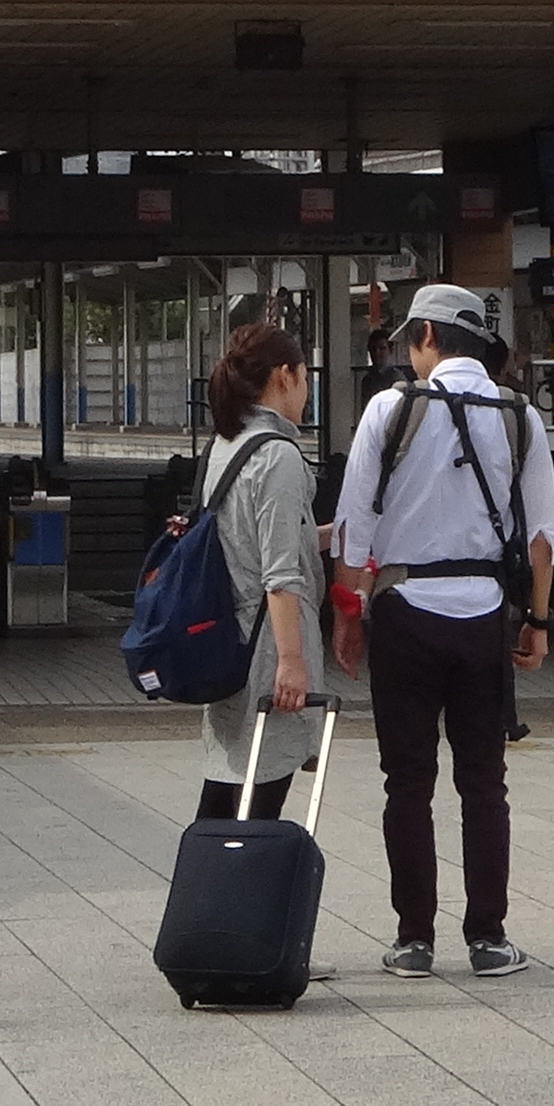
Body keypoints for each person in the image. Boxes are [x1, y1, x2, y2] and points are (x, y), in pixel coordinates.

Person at [333, 283, 554, 979]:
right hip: (485, 615)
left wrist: (349, 614)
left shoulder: (389, 410)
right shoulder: (520, 415)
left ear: (427, 338)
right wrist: (540, 622)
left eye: (409, 339)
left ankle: (414, 940)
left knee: (408, 782)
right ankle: (488, 938)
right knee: (484, 782)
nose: (407, 352)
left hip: (403, 612)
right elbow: (545, 534)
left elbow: (352, 526)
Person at [194, 319, 323, 821]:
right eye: (305, 376)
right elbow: (279, 574)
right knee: (255, 807)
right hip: (266, 653)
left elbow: (243, 538)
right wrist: (292, 661)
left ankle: (202, 895)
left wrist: (321, 535)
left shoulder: (225, 446)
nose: (306, 390)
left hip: (229, 645)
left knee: (226, 797)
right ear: (286, 375)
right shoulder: (278, 456)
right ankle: (227, 899)